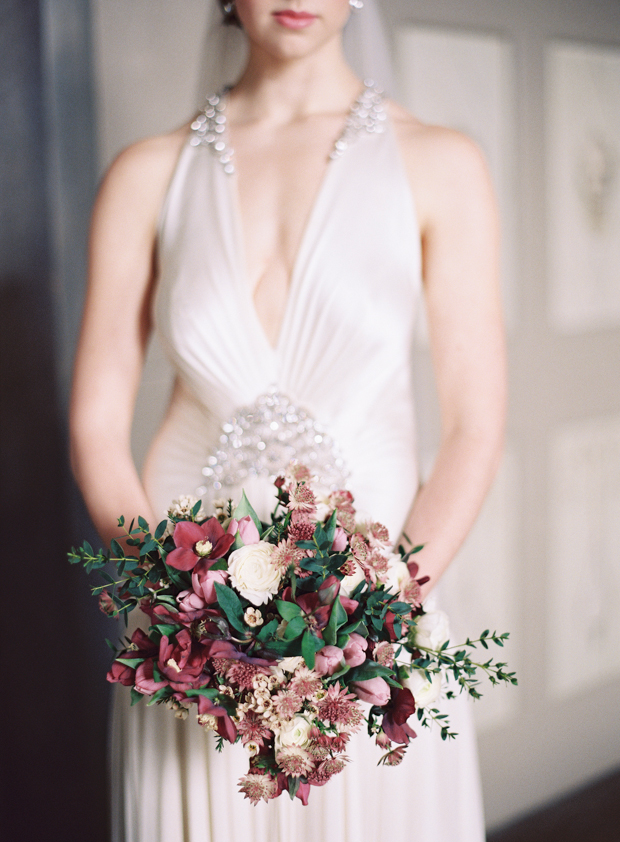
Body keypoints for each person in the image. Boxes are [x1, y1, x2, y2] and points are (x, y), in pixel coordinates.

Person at [70, 1, 506, 840]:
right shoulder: (145, 174)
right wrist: (174, 609)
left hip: (374, 626)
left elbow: (474, 425)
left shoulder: (441, 164)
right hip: (187, 640)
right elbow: (95, 423)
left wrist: (382, 616)